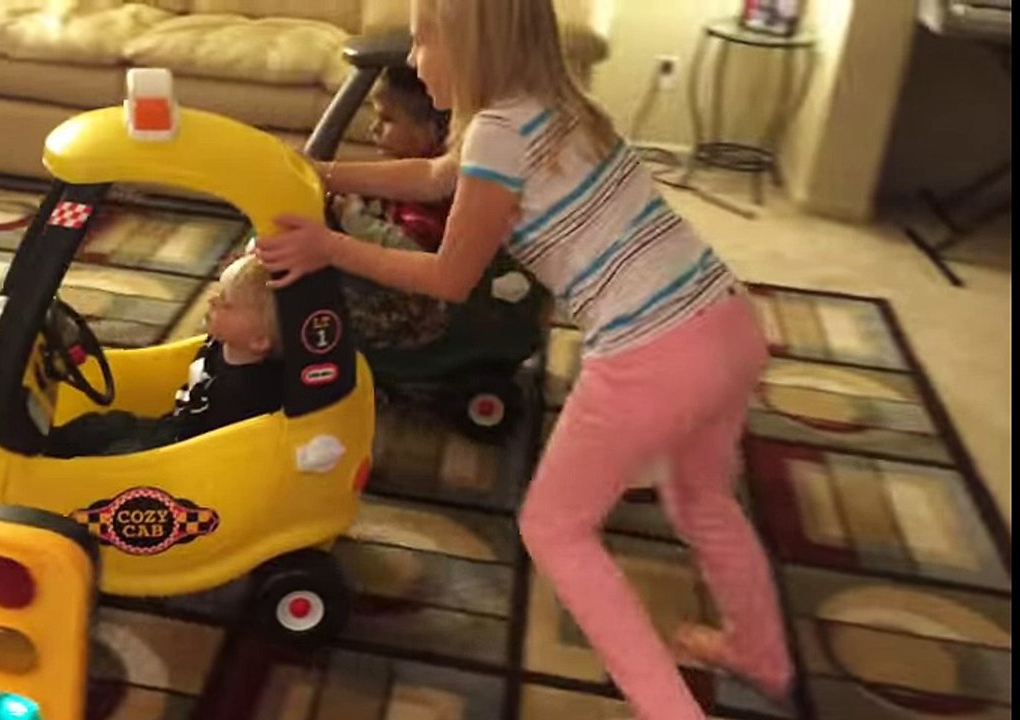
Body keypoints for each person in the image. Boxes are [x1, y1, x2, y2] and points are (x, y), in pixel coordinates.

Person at [254, 1, 793, 717]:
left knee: (554, 528)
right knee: (703, 499)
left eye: (423, 41)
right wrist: (325, 172)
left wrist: (330, 247)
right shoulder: (548, 106)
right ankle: (760, 653)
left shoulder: (496, 133)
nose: (412, 59)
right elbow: (436, 176)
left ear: (474, 47)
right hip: (726, 321)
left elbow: (449, 277)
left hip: (649, 353)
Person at [47, 253, 282, 457]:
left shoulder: (247, 393)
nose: (212, 300)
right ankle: (46, 450)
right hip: (171, 426)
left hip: (184, 453)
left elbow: (221, 452)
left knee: (116, 453)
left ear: (258, 340)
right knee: (102, 426)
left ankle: (51, 475)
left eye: (226, 304)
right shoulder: (226, 341)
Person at [337, 65, 454, 351]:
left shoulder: (434, 190)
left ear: (431, 129)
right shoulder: (409, 171)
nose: (373, 128)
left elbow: (412, 248)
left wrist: (354, 219)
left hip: (426, 311)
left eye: (387, 119)